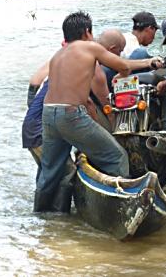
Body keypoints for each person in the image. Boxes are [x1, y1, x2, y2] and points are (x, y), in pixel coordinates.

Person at [34, 11, 134, 213]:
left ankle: (40, 216)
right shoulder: (90, 47)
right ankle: (116, 211)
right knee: (117, 157)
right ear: (87, 31)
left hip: (49, 113)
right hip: (70, 115)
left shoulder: (57, 55)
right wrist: (134, 70)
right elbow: (123, 65)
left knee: (50, 170)